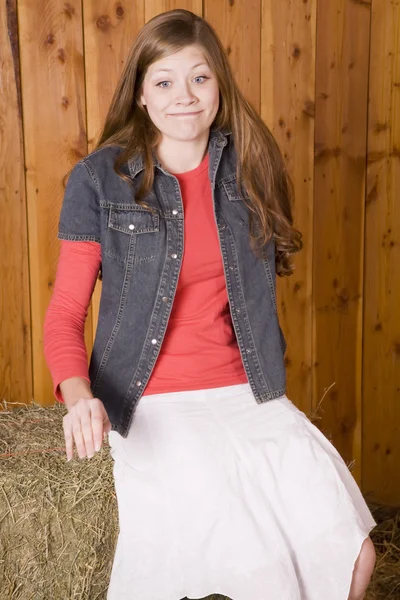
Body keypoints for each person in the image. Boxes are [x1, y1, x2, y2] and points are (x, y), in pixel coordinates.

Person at [44, 9, 377, 600]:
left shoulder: (251, 169)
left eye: (199, 78)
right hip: (151, 404)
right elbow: (66, 311)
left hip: (250, 396)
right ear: (141, 95)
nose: (185, 96)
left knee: (354, 558)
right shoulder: (100, 179)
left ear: (219, 85)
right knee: (256, 570)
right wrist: (78, 396)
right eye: (165, 82)